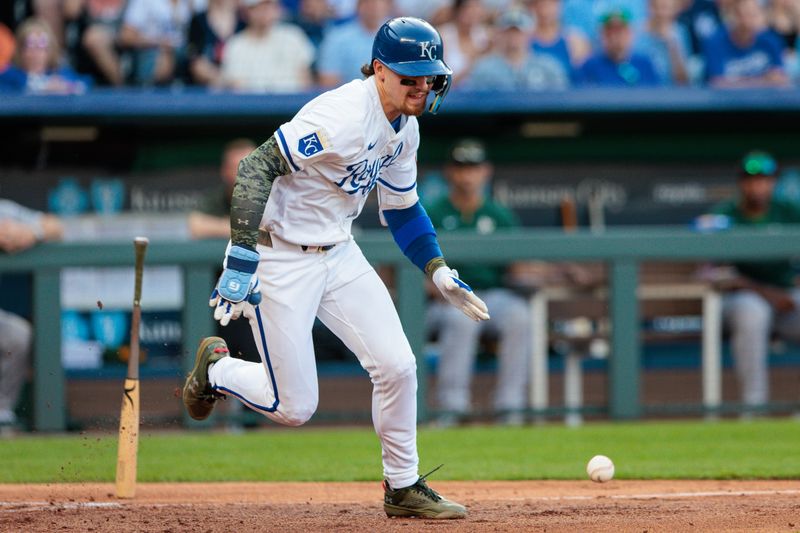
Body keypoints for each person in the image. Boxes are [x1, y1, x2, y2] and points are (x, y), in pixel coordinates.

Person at [181, 17, 486, 519]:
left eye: (429, 76)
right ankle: (217, 369)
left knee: (398, 365)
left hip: (338, 251)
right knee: (294, 407)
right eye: (410, 76)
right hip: (280, 254)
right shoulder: (342, 114)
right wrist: (241, 253)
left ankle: (403, 485)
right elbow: (257, 166)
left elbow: (403, 209)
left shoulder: (405, 128)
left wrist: (436, 268)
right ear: (380, 70)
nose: (422, 86)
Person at [424, 139, 531, 427]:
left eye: (473, 168)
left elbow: (518, 268)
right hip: (445, 300)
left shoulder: (499, 214)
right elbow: (413, 270)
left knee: (519, 315)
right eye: (460, 168)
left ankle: (510, 408)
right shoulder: (432, 212)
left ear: (486, 172)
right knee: (460, 319)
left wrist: (556, 272)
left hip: (492, 296)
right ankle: (452, 408)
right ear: (449, 172)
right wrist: (437, 290)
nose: (467, 175)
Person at [701, 151, 800, 413]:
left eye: (765, 179)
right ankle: (755, 408)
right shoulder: (725, 214)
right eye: (752, 179)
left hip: (787, 296)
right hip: (742, 298)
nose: (758, 185)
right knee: (752, 312)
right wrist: (767, 293)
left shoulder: (789, 211)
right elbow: (714, 272)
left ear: (774, 182)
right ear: (742, 183)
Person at [0, 198, 63, 433]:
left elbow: (55, 226)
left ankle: (2, 412)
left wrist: (30, 232)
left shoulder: (3, 212)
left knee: (17, 333)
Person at [218, 0, 314, 92]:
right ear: (247, 11)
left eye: (269, 6)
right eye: (258, 8)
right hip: (251, 107)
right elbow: (236, 87)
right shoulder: (235, 45)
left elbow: (305, 82)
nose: (264, 12)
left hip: (294, 106)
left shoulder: (294, 37)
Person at [464, 10, 569, 91]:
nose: (513, 37)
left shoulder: (549, 66)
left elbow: (562, 100)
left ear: (529, 34)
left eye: (518, 32)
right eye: (508, 32)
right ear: (499, 34)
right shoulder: (484, 69)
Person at [701, 0, 789, 88]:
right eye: (745, 15)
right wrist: (763, 80)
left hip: (764, 99)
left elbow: (779, 77)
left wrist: (737, 82)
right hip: (727, 100)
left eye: (754, 15)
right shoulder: (715, 42)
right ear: (733, 16)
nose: (749, 21)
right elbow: (717, 82)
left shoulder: (770, 40)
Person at [0, 17, 91, 93]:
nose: (36, 54)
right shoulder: (10, 75)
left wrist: (66, 86)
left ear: (50, 51)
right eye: (30, 47)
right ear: (20, 51)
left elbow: (86, 82)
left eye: (41, 48)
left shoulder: (59, 73)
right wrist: (40, 86)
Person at [577, 8, 663, 86]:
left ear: (630, 34)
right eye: (609, 33)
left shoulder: (645, 64)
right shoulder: (590, 66)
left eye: (620, 32)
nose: (615, 38)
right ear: (602, 36)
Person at [316, 0, 391, 88]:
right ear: (359, 6)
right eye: (368, 2)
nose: (374, 7)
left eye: (379, 2)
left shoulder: (398, 36)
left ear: (388, 6)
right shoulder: (337, 37)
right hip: (349, 98)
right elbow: (328, 81)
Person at [526, 0, 591, 82]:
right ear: (533, 8)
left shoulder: (575, 41)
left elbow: (583, 77)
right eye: (540, 5)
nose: (545, 11)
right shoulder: (525, 39)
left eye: (550, 5)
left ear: (559, 6)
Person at [185, 0, 246, 87]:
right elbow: (195, 63)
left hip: (240, 91)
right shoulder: (198, 21)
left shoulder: (243, 23)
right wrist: (223, 80)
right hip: (203, 91)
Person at [634, 0, 691, 85]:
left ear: (674, 10)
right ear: (649, 8)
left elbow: (684, 81)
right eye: (656, 7)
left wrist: (672, 45)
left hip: (671, 93)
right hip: (643, 91)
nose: (660, 13)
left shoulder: (680, 33)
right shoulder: (636, 34)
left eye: (665, 8)